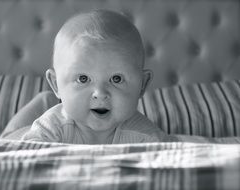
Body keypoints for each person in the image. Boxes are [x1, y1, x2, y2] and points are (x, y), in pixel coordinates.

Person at [22, 9, 170, 144]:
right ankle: (44, 99)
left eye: (116, 79)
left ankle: (46, 99)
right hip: (18, 134)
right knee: (15, 129)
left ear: (142, 85)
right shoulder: (51, 128)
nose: (100, 93)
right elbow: (24, 155)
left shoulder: (147, 137)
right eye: (83, 79)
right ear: (56, 84)